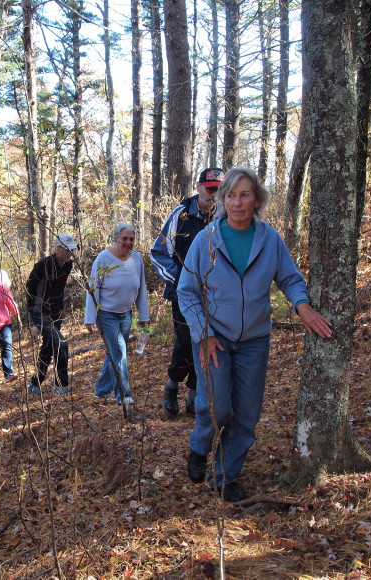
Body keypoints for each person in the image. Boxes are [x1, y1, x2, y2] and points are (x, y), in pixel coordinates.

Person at [177, 167, 332, 502]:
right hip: (213, 338)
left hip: (254, 342)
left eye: (244, 194)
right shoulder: (206, 241)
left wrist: (302, 306)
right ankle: (199, 447)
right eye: (230, 195)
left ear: (257, 199)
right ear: (221, 200)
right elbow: (186, 291)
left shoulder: (270, 239)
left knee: (246, 414)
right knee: (215, 408)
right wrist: (203, 334)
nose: (237, 202)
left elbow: (290, 279)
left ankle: (225, 477)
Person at [151, 168, 225, 416]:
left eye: (219, 189)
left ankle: (194, 396)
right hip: (183, 294)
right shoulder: (180, 215)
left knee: (208, 340)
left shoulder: (226, 217)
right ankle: (172, 386)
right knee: (186, 341)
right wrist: (182, 281)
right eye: (210, 188)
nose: (214, 194)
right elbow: (158, 253)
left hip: (215, 295)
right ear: (199, 187)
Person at [84, 224, 150, 405]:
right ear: (116, 239)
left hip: (126, 314)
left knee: (114, 353)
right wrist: (89, 317)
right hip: (106, 315)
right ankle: (124, 394)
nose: (129, 243)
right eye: (125, 239)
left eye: (131, 239)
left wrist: (144, 315)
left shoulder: (137, 258)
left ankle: (103, 389)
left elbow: (141, 287)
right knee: (119, 352)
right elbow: (93, 288)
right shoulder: (103, 258)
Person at [26, 233, 77, 395]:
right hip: (40, 311)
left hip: (57, 312)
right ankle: (61, 385)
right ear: (57, 249)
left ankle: (35, 383)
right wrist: (34, 308)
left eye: (71, 249)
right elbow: (30, 287)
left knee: (48, 347)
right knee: (61, 343)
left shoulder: (69, 265)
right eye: (66, 249)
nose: (69, 253)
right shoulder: (43, 265)